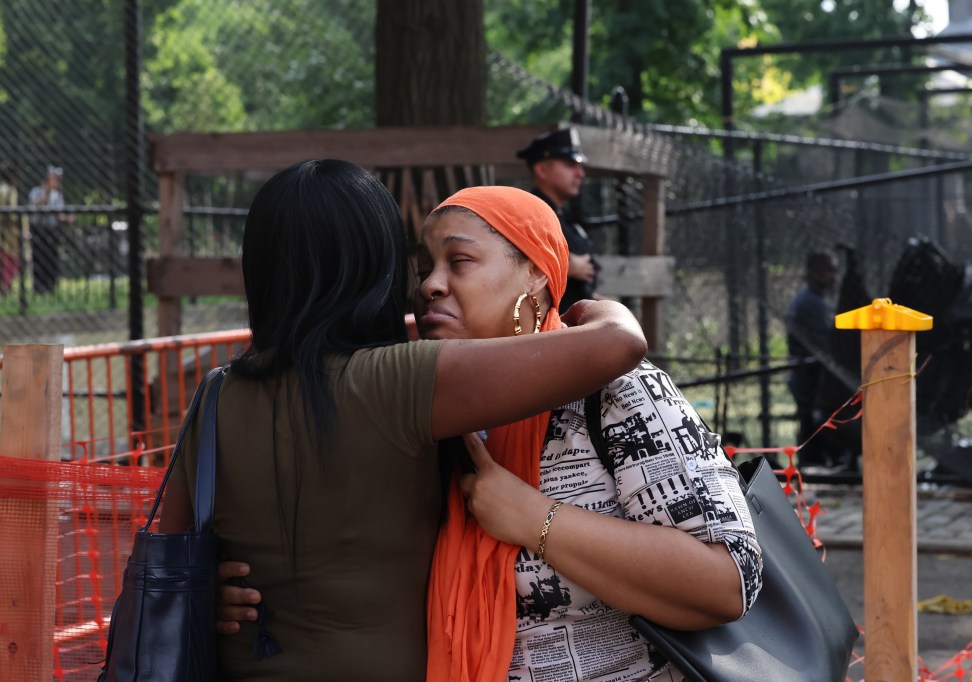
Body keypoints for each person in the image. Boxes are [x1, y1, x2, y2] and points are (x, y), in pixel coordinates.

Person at [220, 186, 762, 682]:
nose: (430, 284)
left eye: (459, 261)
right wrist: (229, 594)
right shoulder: (421, 411)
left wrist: (537, 520)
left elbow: (727, 579)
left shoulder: (615, 390)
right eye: (422, 267)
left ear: (534, 274)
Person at [158, 160, 647, 681]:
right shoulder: (399, 382)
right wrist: (589, 309)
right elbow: (619, 345)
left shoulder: (215, 396)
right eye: (418, 269)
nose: (428, 285)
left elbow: (170, 562)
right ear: (378, 267)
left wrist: (207, 592)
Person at [517, 126, 598, 312]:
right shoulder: (530, 213)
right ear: (542, 170)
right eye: (570, 165)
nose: (580, 173)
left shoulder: (562, 215)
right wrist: (561, 265)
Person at [785, 249, 840, 468]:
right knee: (813, 431)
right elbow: (824, 345)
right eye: (828, 270)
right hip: (809, 380)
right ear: (813, 273)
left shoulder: (818, 300)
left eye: (835, 270)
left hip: (815, 380)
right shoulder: (809, 303)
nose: (833, 277)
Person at [28, 165, 70, 294]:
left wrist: (67, 218)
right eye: (54, 178)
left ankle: (50, 287)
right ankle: (39, 287)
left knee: (52, 259)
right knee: (39, 259)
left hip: (52, 230)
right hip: (38, 230)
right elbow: (36, 206)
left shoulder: (57, 195)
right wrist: (46, 192)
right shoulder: (35, 191)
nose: (57, 182)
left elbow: (59, 214)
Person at [0, 164, 25, 295]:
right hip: (8, 230)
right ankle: (6, 285)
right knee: (11, 258)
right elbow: (13, 214)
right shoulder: (11, 191)